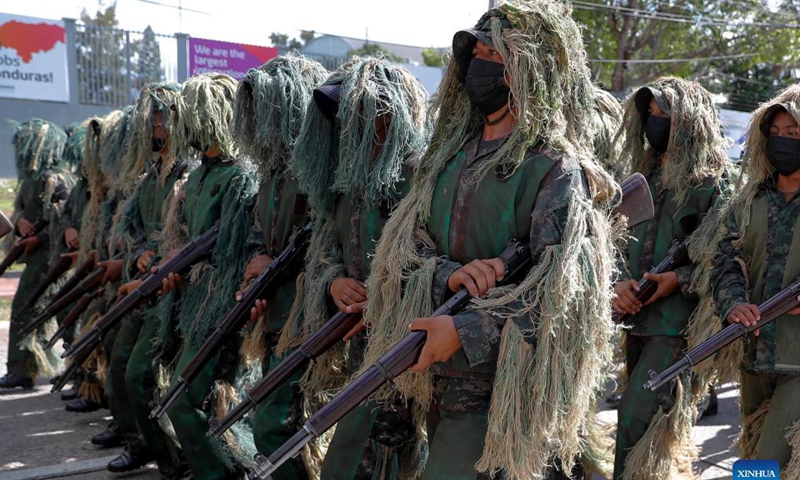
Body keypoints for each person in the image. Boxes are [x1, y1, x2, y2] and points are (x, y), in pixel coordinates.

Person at [363, 1, 619, 478]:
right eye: (475, 55)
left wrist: (463, 331)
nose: (480, 67)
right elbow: (406, 247)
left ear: (524, 71)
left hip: (496, 386)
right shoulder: (447, 157)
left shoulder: (551, 168)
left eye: (494, 58)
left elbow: (558, 297)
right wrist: (447, 274)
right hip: (431, 371)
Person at [276, 56, 429, 479]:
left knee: (391, 449)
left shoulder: (421, 177)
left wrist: (389, 301)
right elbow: (325, 249)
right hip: (362, 343)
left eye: (353, 111)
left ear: (385, 113)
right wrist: (335, 283)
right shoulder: (346, 180)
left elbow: (437, 260)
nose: (343, 123)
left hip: (412, 345)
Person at [610, 77, 732, 480]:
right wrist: (620, 284)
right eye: (652, 115)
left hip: (677, 328)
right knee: (637, 429)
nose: (656, 123)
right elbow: (617, 242)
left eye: (666, 115)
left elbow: (726, 258)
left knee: (635, 419)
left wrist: (676, 279)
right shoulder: (642, 175)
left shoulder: (712, 184)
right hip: (636, 320)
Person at [157, 72, 258, 480]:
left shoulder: (239, 177)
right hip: (190, 306)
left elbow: (233, 252)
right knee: (189, 400)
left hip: (219, 312)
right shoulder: (196, 177)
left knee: (192, 401)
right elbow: (181, 236)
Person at [233, 54, 327, 480]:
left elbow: (324, 236)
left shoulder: (318, 165)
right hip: (273, 312)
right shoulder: (272, 169)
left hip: (306, 317)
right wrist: (256, 263)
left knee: (279, 426)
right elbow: (259, 229)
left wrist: (276, 263)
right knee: (273, 423)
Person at [104, 82, 197, 477]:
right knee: (119, 364)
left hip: (170, 291)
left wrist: (159, 259)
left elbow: (191, 237)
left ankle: (168, 455)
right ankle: (137, 440)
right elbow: (130, 222)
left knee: (140, 373)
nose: (155, 126)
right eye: (152, 118)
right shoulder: (151, 177)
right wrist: (140, 249)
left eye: (161, 118)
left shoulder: (189, 175)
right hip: (143, 286)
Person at [712, 84, 800, 471]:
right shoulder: (748, 202)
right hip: (754, 359)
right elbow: (726, 261)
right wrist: (734, 305)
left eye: (793, 134)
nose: (782, 143)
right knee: (753, 459)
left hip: (798, 364)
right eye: (776, 134)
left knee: (763, 467)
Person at [0, 119, 72, 390]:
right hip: (36, 257)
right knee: (39, 311)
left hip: (51, 259)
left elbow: (64, 219)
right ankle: (25, 368)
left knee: (54, 311)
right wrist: (19, 222)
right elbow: (19, 210)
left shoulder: (56, 179)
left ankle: (78, 369)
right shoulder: (30, 181)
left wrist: (38, 238)